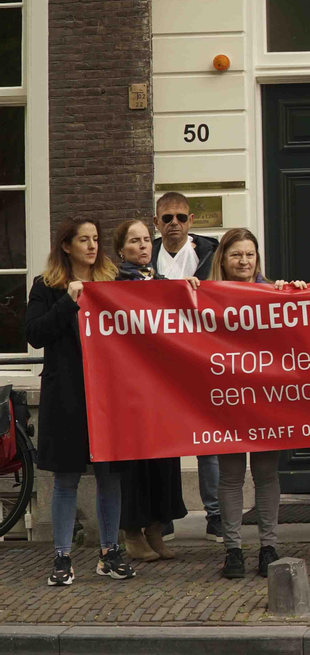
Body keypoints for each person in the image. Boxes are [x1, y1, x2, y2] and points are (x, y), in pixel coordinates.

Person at [30, 217, 132, 586]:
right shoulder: (46, 286)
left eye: (95, 239)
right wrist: (67, 302)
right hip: (67, 395)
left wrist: (188, 287)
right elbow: (35, 334)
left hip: (107, 393)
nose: (91, 246)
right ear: (66, 246)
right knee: (66, 477)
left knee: (109, 475)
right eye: (83, 240)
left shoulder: (113, 283)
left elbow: (149, 312)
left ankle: (109, 551)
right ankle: (62, 556)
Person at [208, 228, 294, 579]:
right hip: (227, 397)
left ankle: (268, 546)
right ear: (223, 259)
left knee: (266, 474)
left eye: (249, 254)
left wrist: (294, 294)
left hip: (264, 397)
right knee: (230, 476)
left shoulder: (273, 292)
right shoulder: (205, 297)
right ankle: (233, 549)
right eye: (236, 255)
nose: (244, 261)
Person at [110, 219, 188, 565]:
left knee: (164, 459)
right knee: (135, 462)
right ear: (121, 249)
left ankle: (157, 527)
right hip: (129, 389)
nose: (142, 246)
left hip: (162, 388)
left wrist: (190, 289)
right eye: (134, 241)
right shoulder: (112, 287)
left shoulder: (163, 284)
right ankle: (132, 532)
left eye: (145, 240)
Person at [153, 192, 222, 543]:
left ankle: (216, 515)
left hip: (203, 362)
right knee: (165, 443)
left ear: (191, 221)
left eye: (181, 217)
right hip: (159, 366)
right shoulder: (143, 258)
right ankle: (164, 515)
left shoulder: (212, 253)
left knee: (209, 443)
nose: (174, 224)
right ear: (157, 223)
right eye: (167, 218)